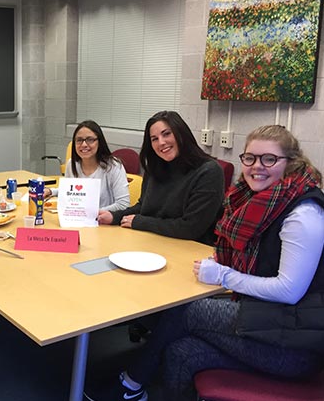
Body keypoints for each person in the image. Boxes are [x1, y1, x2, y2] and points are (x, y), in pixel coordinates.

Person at [85, 125, 324, 401]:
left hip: (296, 345)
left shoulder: (304, 214)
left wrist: (223, 275)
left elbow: (289, 290)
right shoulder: (259, 199)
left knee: (185, 311)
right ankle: (135, 391)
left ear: (290, 162)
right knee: (180, 353)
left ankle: (128, 382)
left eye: (269, 159)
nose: (257, 166)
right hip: (268, 322)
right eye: (250, 158)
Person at [98, 111, 225, 245]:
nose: (161, 142)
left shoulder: (209, 172)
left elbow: (191, 228)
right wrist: (113, 217)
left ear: (181, 133)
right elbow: (143, 207)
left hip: (191, 250)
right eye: (154, 139)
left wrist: (141, 222)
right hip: (154, 242)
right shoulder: (155, 168)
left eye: (166, 134)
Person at [44, 120, 130, 211]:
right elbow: (69, 192)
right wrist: (50, 191)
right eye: (79, 140)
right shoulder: (72, 164)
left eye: (90, 140)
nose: (84, 144)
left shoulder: (113, 166)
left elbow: (123, 204)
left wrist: (90, 213)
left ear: (99, 142)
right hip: (77, 220)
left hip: (104, 222)